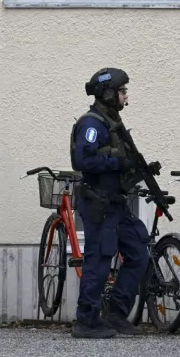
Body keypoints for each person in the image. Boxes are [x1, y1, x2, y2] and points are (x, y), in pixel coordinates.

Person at [69, 68, 149, 338]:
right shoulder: (92, 124)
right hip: (99, 204)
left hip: (116, 203)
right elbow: (83, 160)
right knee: (100, 260)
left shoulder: (111, 122)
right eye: (122, 91)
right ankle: (86, 321)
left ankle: (115, 313)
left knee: (138, 251)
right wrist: (118, 161)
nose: (126, 97)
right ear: (108, 93)